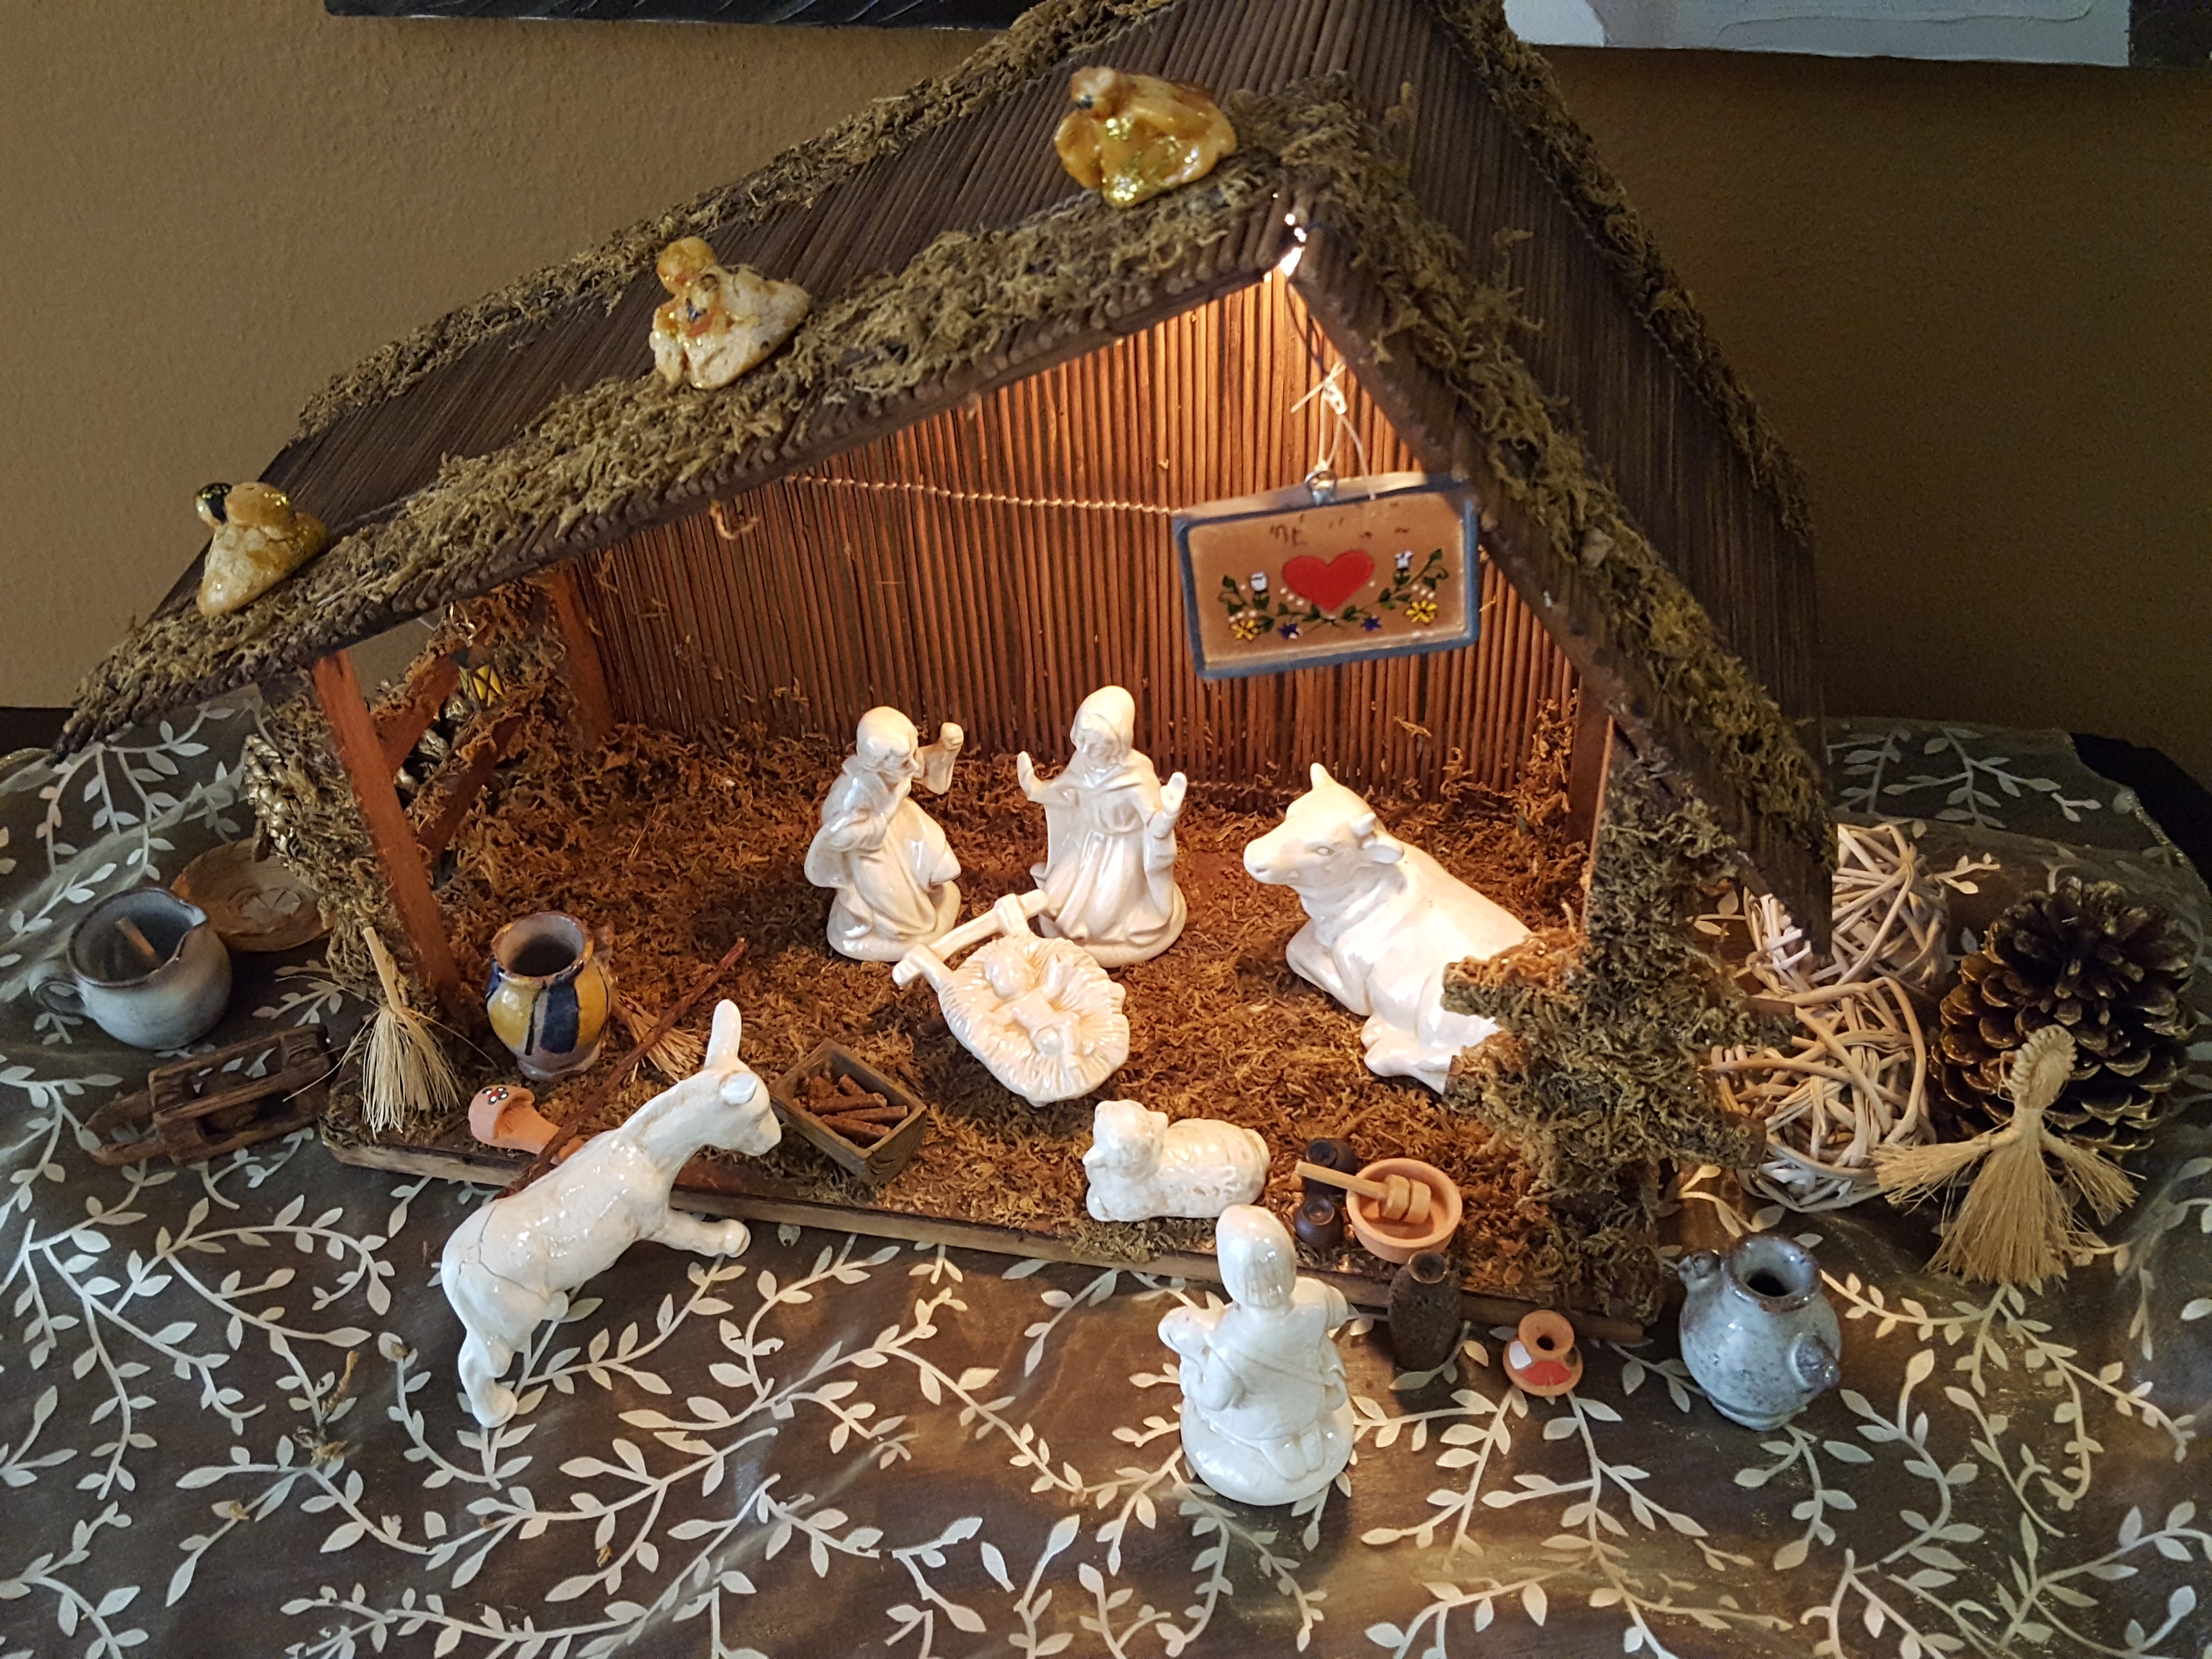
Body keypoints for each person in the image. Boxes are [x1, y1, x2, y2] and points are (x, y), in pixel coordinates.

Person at [1157, 1206, 1354, 1505]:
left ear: (1231, 1278)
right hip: (1311, 1401)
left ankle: (1287, 1459)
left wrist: (1191, 1379)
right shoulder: (1314, 1297)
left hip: (1268, 1424)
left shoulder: (1228, 1344)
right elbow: (1339, 1311)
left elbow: (1216, 1399)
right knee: (1307, 1425)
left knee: (1276, 1439)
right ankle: (1311, 1442)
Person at [1017, 686, 1187, 966]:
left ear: (1118, 743)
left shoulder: (1135, 776)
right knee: (1054, 901)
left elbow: (1155, 824)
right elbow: (1064, 792)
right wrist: (1033, 787)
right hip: (1085, 843)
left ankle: (1124, 911)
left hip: (1122, 852)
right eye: (1081, 738)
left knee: (1099, 919)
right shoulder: (1083, 762)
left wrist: (1169, 813)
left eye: (1095, 743)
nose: (1084, 749)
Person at [805, 708, 964, 962]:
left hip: (902, 828)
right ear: (875, 763)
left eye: (913, 753)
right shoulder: (855, 791)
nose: (913, 765)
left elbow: (925, 768)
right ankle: (890, 924)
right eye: (904, 762)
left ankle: (925, 886)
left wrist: (945, 748)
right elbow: (838, 836)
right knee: (910, 918)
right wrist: (887, 810)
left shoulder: (900, 763)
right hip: (870, 853)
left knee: (928, 854)